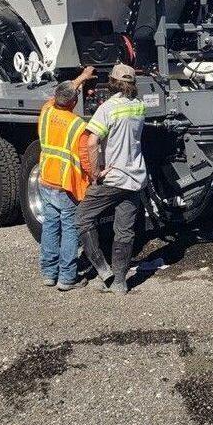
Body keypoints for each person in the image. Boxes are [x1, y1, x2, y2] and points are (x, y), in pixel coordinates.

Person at [76, 63, 147, 296]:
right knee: (124, 231)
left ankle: (102, 268)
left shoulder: (107, 108)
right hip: (135, 178)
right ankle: (120, 282)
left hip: (114, 177)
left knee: (82, 218)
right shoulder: (139, 107)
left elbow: (92, 142)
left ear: (113, 82)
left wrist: (96, 172)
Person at [37, 66, 96, 291]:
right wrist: (96, 177)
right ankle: (67, 277)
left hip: (46, 179)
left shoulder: (47, 110)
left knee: (50, 226)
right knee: (70, 229)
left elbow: (59, 95)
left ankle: (49, 273)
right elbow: (86, 159)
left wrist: (80, 78)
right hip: (66, 185)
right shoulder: (77, 126)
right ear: (73, 103)